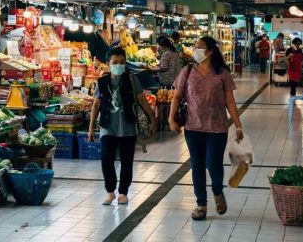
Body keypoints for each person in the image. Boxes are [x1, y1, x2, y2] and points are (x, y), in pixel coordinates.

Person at [168, 36, 244, 221]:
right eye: (195, 46)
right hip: (193, 127)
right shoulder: (187, 71)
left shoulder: (222, 73)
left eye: (199, 47)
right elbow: (177, 96)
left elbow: (230, 101)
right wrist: (171, 118)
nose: (196, 50)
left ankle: (217, 191)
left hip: (217, 128)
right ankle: (201, 204)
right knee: (197, 165)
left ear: (210, 51)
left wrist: (238, 125)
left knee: (213, 164)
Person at [88, 47, 155, 205]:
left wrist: (152, 118)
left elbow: (142, 100)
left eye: (122, 62)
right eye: (115, 62)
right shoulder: (102, 82)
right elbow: (96, 105)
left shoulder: (132, 80)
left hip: (128, 127)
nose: (118, 65)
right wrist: (91, 128)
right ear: (108, 63)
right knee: (106, 159)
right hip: (107, 127)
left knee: (127, 161)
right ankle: (110, 191)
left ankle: (123, 192)